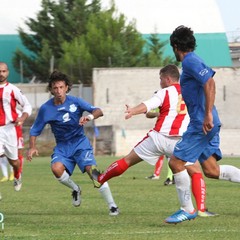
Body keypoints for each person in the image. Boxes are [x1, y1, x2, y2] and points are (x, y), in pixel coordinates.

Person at [91, 64, 214, 217]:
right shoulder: (190, 92)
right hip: (180, 142)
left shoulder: (164, 92)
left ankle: (100, 179)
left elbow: (147, 106)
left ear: (168, 79)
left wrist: (132, 111)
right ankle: (201, 209)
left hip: (158, 138)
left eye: (161, 79)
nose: (160, 82)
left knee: (128, 160)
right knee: (195, 171)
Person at [164, 25, 240, 224]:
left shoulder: (190, 61)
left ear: (175, 46)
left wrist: (207, 114)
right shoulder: (192, 61)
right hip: (207, 122)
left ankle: (187, 209)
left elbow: (210, 83)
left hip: (202, 123)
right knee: (212, 170)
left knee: (176, 162)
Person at [27, 70, 119, 216]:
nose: (58, 91)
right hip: (63, 147)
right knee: (56, 169)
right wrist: (32, 147)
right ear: (51, 89)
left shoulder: (76, 101)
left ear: (67, 87)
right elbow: (34, 130)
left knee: (93, 172)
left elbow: (99, 111)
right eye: (55, 88)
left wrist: (88, 117)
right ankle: (75, 189)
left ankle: (112, 206)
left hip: (80, 143)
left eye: (61, 87)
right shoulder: (46, 108)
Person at [0, 62, 32, 191]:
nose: (1, 74)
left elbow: (27, 105)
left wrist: (23, 117)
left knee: (14, 162)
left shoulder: (12, 89)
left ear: (7, 72)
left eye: (3, 71)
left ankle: (17, 176)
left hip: (9, 129)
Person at [145, 108, 175, 185]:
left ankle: (170, 178)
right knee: (163, 154)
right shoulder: (160, 101)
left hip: (174, 132)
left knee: (171, 156)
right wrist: (157, 114)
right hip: (161, 132)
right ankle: (161, 175)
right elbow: (148, 114)